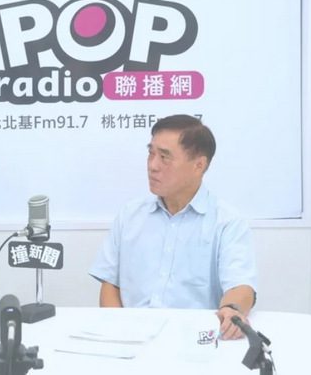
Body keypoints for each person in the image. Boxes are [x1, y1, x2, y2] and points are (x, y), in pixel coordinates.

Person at [89, 114, 257, 340]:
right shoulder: (130, 215)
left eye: (164, 157)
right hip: (130, 339)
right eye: (151, 153)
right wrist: (120, 332)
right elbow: (111, 284)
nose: (152, 166)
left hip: (194, 342)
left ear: (199, 165)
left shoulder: (227, 222)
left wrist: (231, 310)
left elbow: (241, 287)